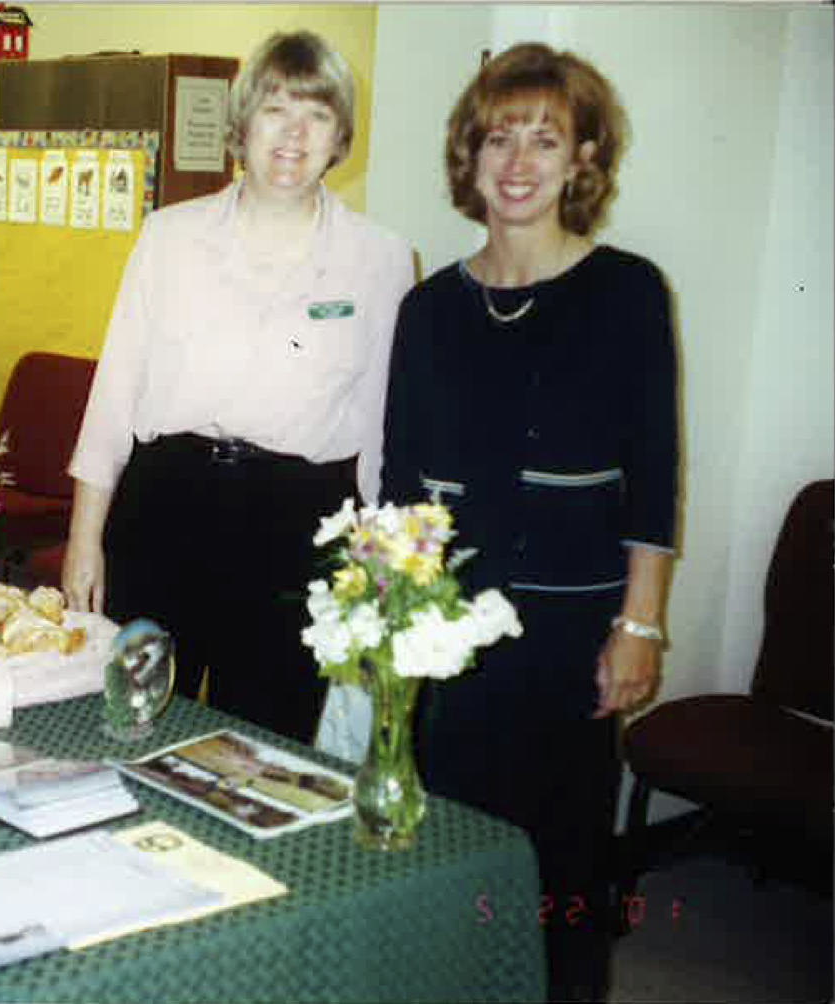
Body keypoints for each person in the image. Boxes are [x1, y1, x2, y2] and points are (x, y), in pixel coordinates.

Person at [380, 43, 678, 1001]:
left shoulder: (628, 292)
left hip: (569, 638)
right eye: (498, 138)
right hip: (449, 632)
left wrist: (640, 625)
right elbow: (398, 483)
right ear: (469, 159)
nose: (518, 161)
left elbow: (656, 478)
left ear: (583, 159)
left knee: (564, 868)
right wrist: (393, 624)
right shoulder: (428, 308)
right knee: (450, 857)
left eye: (544, 140)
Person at [62, 30, 414, 743]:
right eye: (274, 110)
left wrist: (382, 582)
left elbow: (383, 433)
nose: (292, 134)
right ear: (241, 126)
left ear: (341, 135)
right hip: (163, 509)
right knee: (129, 722)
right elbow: (114, 395)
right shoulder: (169, 237)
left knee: (262, 749)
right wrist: (83, 540)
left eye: (315, 115)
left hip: (297, 527)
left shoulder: (381, 260)